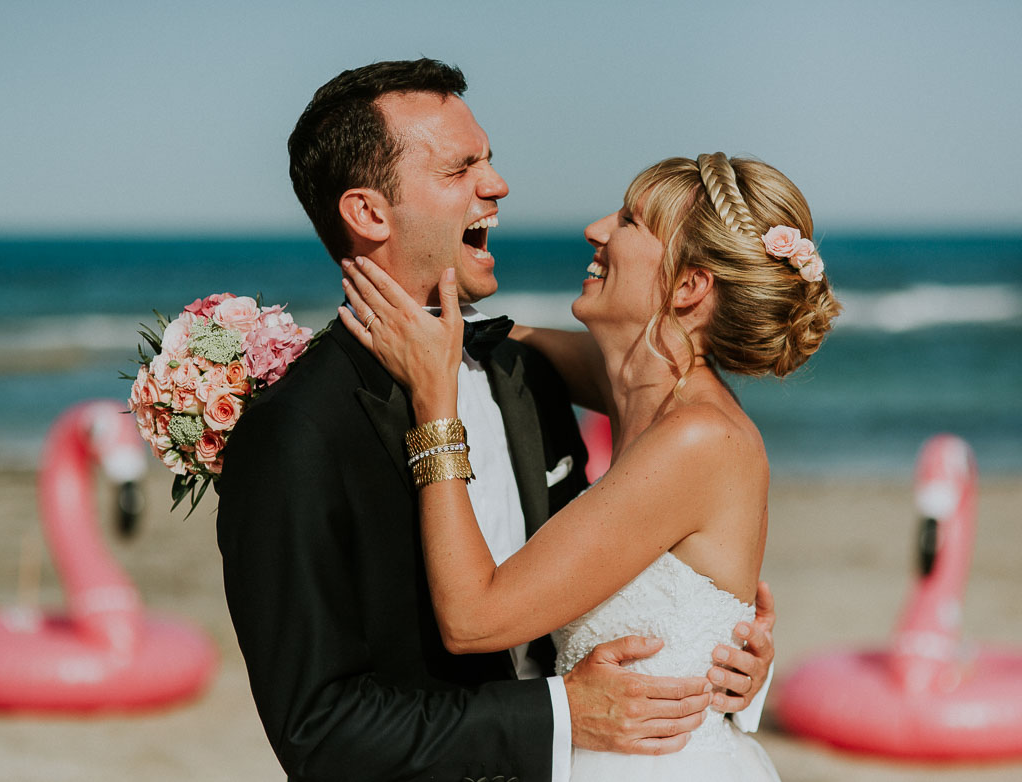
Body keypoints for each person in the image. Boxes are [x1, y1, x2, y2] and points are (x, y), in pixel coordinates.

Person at [217, 59, 775, 782]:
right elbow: (318, 730)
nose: (498, 184)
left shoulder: (524, 371)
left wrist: (719, 662)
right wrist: (560, 715)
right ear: (369, 213)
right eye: (460, 169)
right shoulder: (297, 430)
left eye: (488, 159)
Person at [338, 152, 841, 780]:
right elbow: (504, 340)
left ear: (689, 288)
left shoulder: (697, 440)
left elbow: (472, 619)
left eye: (629, 220)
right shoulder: (642, 388)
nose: (596, 229)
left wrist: (434, 405)